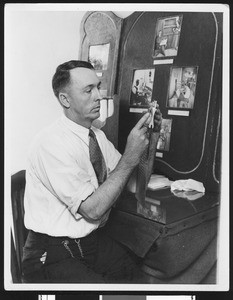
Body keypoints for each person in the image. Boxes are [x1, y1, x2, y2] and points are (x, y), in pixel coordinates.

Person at [22, 60, 162, 283]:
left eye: (98, 87)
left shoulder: (96, 136)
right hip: (52, 250)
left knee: (137, 278)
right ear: (65, 99)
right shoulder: (50, 144)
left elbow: (136, 184)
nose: (99, 96)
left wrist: (152, 139)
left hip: (90, 241)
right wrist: (129, 156)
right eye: (89, 90)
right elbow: (92, 210)